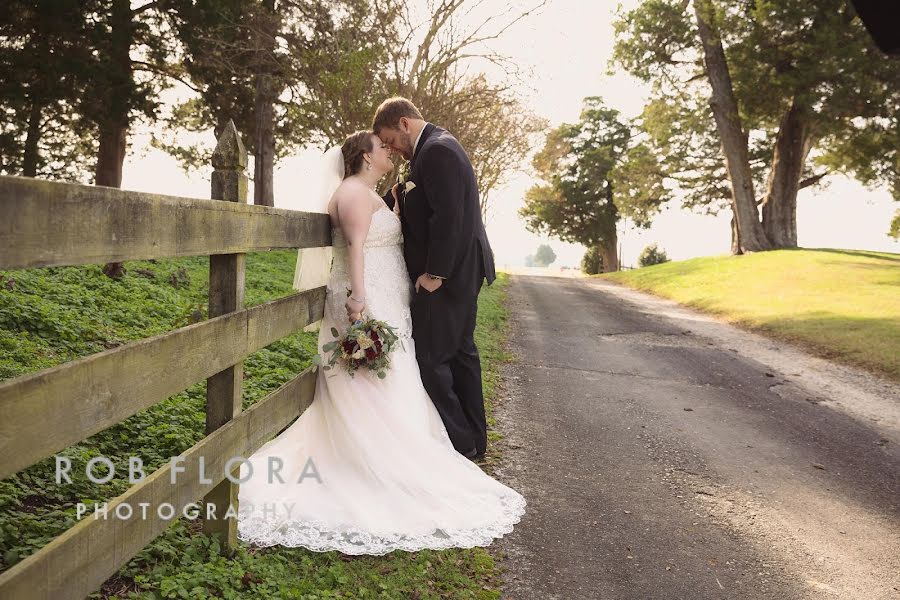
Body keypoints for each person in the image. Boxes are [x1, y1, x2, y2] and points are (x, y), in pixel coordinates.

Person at [236, 130, 524, 555]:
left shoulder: (369, 191)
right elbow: (355, 247)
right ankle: (374, 461)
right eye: (380, 147)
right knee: (372, 380)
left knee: (393, 376)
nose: (388, 151)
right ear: (365, 158)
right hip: (367, 300)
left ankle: (400, 455)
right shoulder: (352, 193)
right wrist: (359, 300)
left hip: (387, 298)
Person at [373, 97, 496, 461]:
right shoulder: (435, 147)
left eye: (391, 139)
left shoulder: (436, 151)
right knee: (460, 354)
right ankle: (473, 441)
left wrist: (435, 273)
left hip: (449, 274)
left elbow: (449, 218)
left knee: (430, 358)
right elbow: (433, 207)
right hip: (463, 269)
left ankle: (460, 442)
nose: (391, 149)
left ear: (405, 124)